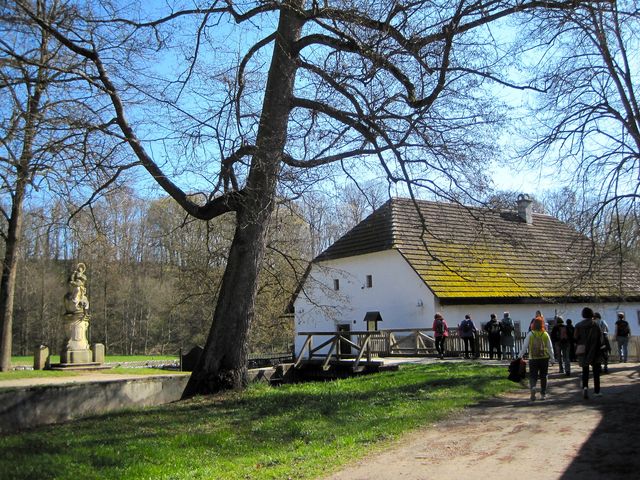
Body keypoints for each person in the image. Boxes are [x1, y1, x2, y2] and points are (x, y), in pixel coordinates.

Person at [518, 316, 554, 401]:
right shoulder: (545, 334)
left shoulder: (530, 334)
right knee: (544, 375)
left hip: (533, 358)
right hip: (544, 358)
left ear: (533, 325)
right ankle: (543, 394)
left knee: (533, 375)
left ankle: (533, 387)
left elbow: (524, 346)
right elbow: (550, 347)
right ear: (542, 324)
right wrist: (552, 358)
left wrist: (519, 356)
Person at [575, 307, 604, 399]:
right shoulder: (596, 324)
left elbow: (575, 338)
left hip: (583, 350)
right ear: (592, 314)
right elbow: (601, 338)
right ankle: (597, 391)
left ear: (583, 314)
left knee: (585, 371)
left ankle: (585, 388)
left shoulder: (578, 325)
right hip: (595, 350)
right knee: (596, 372)